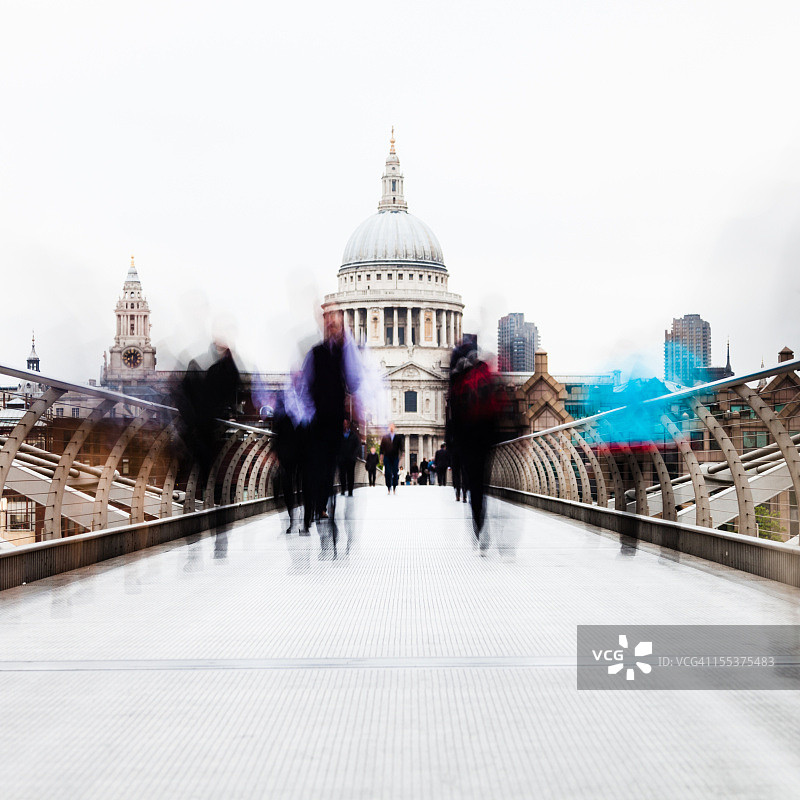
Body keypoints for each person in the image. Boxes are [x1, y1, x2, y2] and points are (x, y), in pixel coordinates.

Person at [298, 307, 362, 533]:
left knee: (325, 467)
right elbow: (303, 387)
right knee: (316, 465)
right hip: (317, 420)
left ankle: (320, 505)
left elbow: (355, 382)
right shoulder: (315, 353)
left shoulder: (345, 354)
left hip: (332, 420)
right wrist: (305, 414)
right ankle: (314, 509)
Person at [380, 423, 403, 494]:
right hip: (387, 457)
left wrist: (402, 457)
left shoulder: (398, 437)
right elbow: (381, 447)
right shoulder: (385, 437)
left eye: (392, 426)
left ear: (394, 427)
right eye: (390, 427)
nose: (391, 428)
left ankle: (394, 487)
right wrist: (381, 456)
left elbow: (401, 448)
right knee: (387, 473)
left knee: (395, 472)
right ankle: (388, 487)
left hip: (395, 457)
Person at [338, 419, 360, 496]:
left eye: (346, 424)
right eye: (343, 424)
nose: (345, 426)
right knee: (342, 475)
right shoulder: (339, 435)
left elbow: (357, 446)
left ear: (348, 425)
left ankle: (350, 490)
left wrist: (354, 455)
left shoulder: (353, 435)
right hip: (342, 459)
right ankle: (343, 489)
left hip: (351, 459)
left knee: (350, 475)